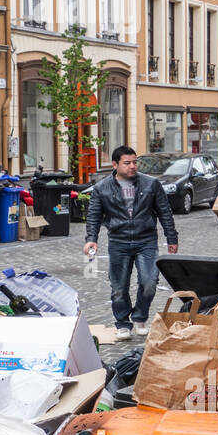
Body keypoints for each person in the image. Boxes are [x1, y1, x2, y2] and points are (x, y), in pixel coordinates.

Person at [84, 145, 179, 342]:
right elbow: (93, 216)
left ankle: (140, 318)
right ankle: (122, 324)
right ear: (115, 164)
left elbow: (165, 212)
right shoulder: (102, 188)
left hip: (147, 240)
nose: (132, 166)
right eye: (127, 163)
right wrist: (91, 239)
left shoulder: (151, 184)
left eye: (135, 162)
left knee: (149, 283)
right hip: (118, 241)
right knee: (119, 287)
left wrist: (172, 238)